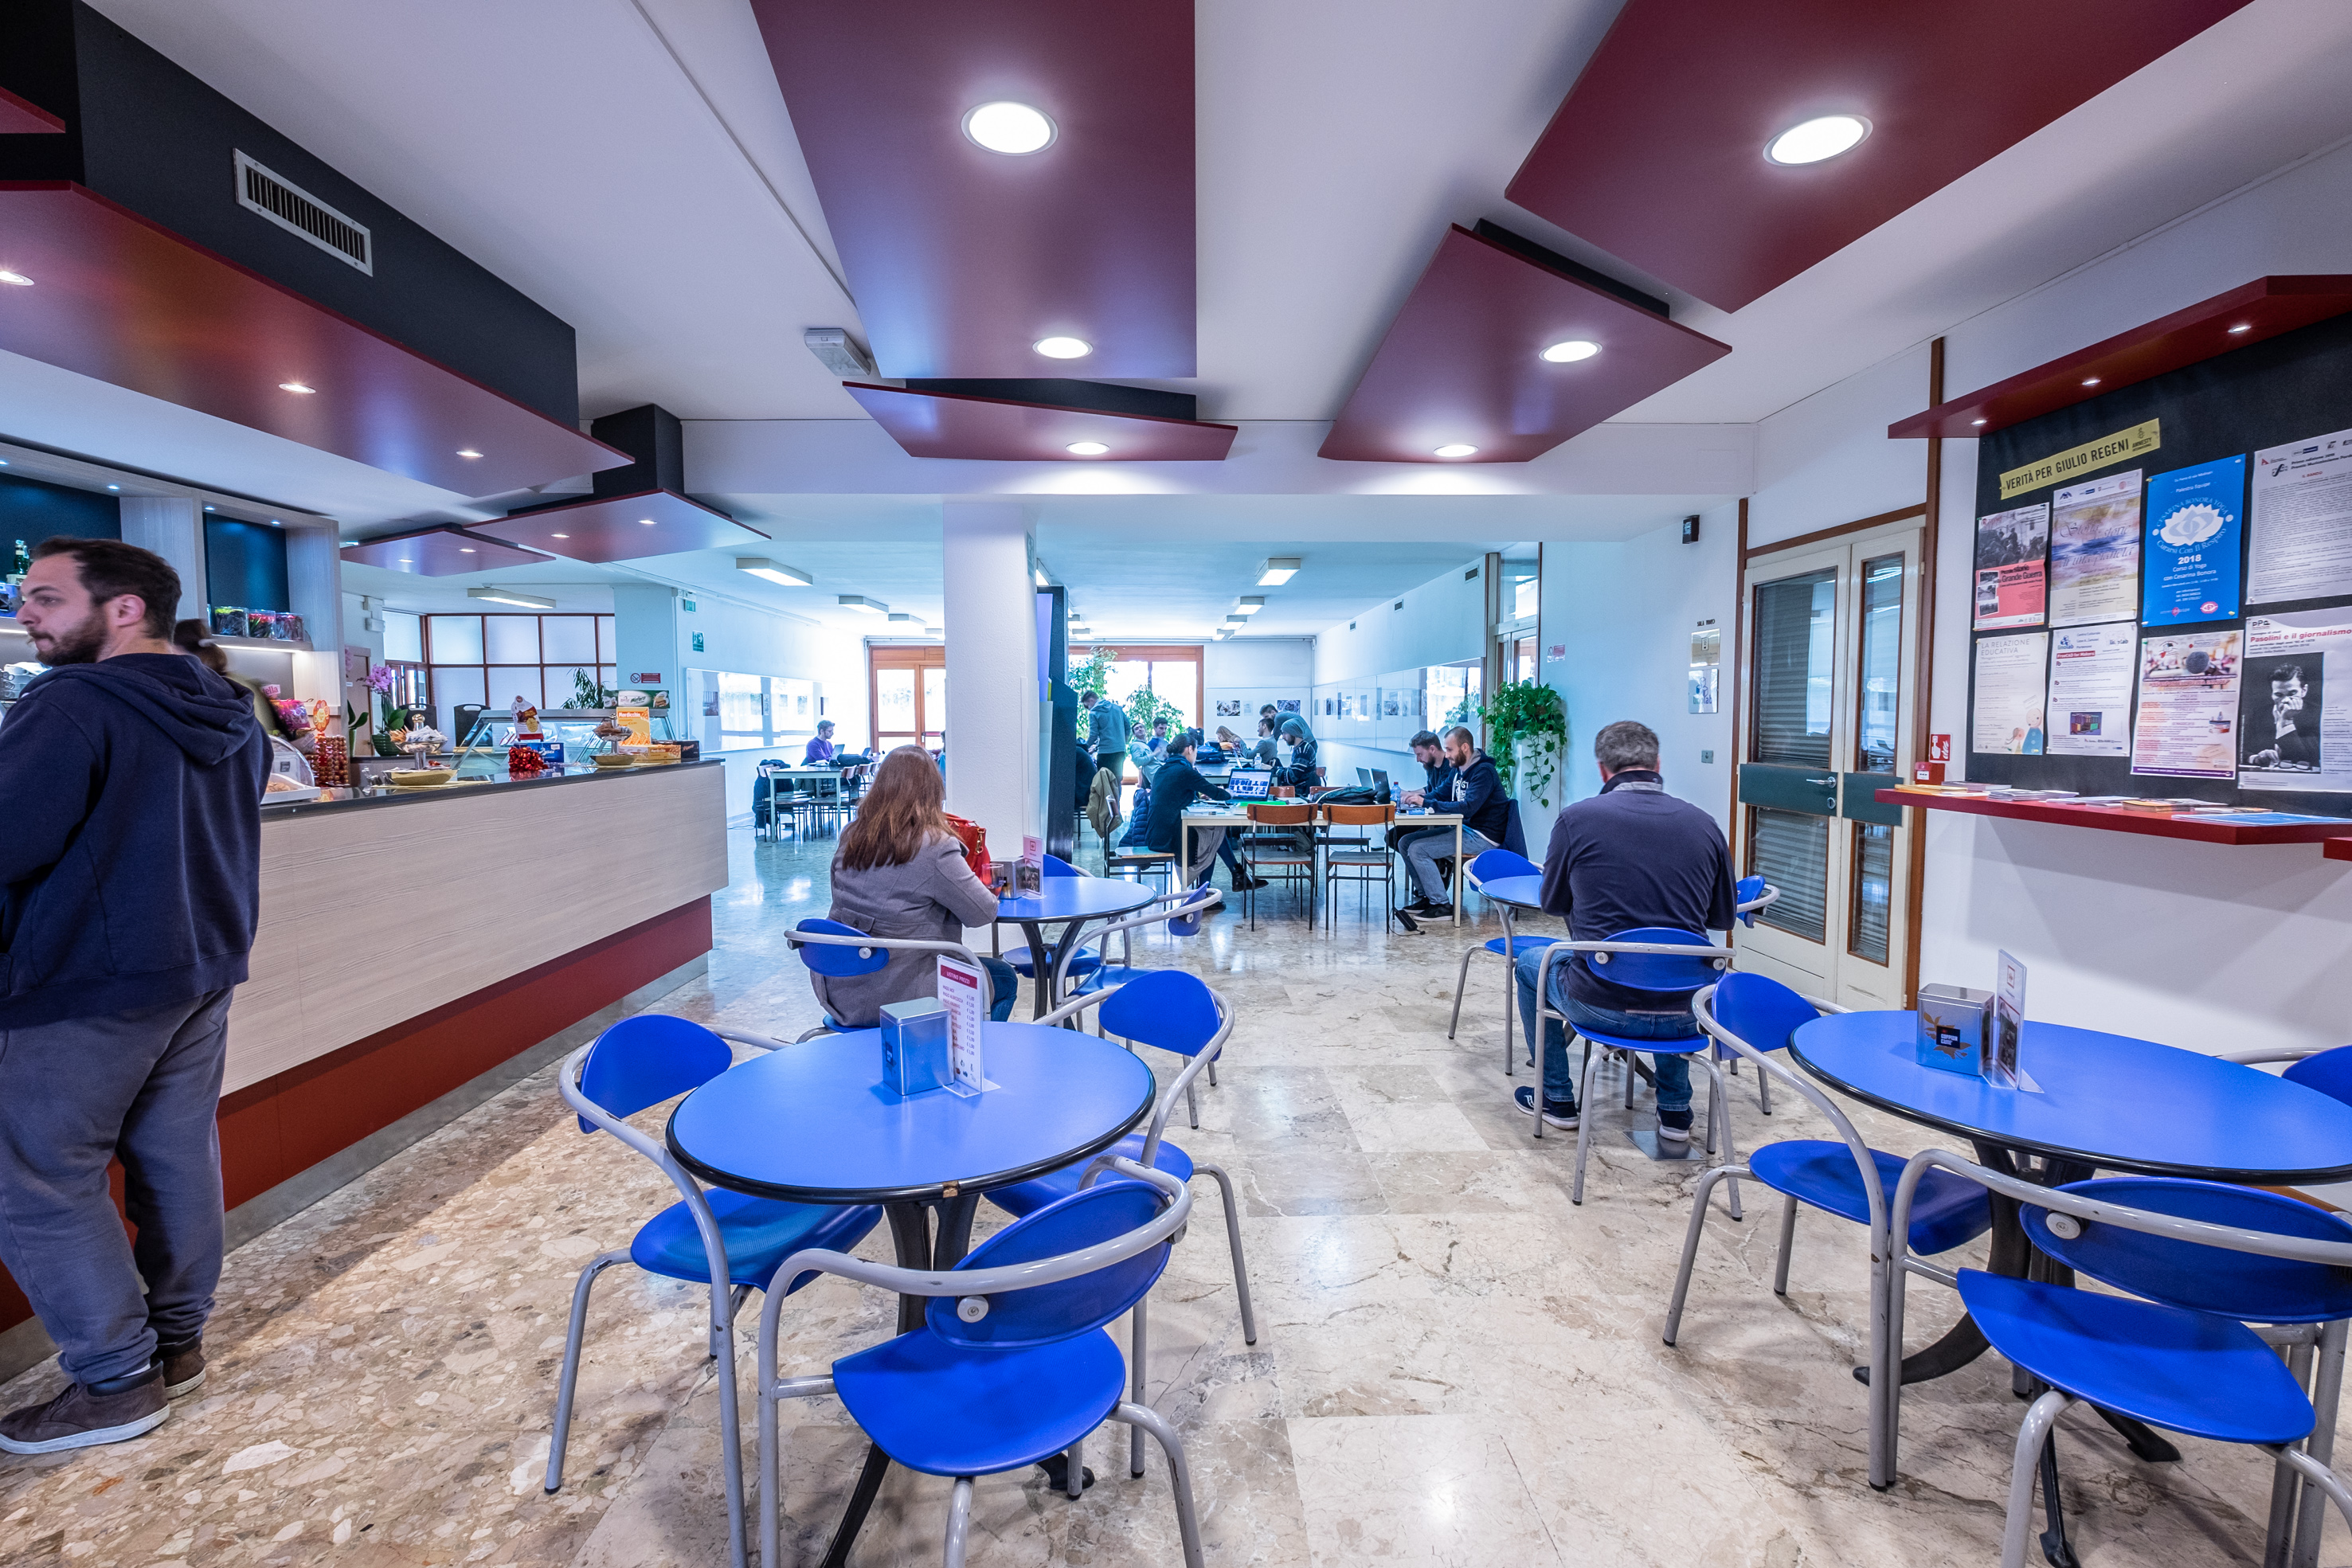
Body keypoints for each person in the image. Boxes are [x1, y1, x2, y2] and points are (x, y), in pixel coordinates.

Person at [0, 538, 269, 1453]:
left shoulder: (71, 703)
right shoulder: (232, 707)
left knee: (35, 1171)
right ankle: (176, 1345)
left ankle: (114, 1381)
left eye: (46, 597)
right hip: (200, 969)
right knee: (174, 1155)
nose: (26, 614)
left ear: (123, 609)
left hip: (84, 977)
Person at [1512, 719, 1736, 1147]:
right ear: (1657, 764)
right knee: (1675, 966)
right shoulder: (1705, 824)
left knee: (1529, 965)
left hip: (1601, 1003)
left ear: (1603, 769)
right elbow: (1722, 917)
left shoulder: (1577, 820)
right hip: (1689, 1012)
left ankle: (1556, 1099)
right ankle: (1675, 1111)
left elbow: (1552, 904)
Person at [810, 745, 1018, 1030]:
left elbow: (842, 894)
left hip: (842, 988)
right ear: (933, 792)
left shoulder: (853, 835)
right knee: (1004, 978)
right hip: (900, 993)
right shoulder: (936, 846)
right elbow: (982, 913)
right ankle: (960, 1054)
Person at [1401, 725, 1508, 920]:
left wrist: (1426, 803)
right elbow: (1441, 793)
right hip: (1465, 829)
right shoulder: (1457, 770)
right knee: (1406, 842)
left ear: (1465, 748)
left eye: (1450, 750)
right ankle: (1427, 896)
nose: (1447, 755)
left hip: (1483, 837)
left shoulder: (1484, 772)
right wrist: (1415, 799)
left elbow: (1468, 808)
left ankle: (1441, 905)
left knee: (1418, 849)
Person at [1145, 730, 1258, 890]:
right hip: (1171, 837)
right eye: (1196, 751)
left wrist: (1198, 797)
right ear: (1190, 749)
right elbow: (1217, 793)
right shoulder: (1184, 770)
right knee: (1212, 839)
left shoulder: (1164, 769)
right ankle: (1213, 887)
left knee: (1212, 834)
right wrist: (1233, 793)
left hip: (1157, 834)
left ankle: (1233, 876)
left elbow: (1175, 795)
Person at [1390, 729, 1452, 851]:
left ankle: (1425, 861)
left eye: (1420, 754)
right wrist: (1409, 793)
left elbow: (1440, 794)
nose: (1418, 759)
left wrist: (1418, 799)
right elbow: (1429, 789)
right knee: (1393, 836)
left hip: (1444, 819)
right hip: (1433, 815)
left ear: (1432, 749)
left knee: (1399, 838)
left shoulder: (1450, 767)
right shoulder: (1431, 766)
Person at [2249, 664, 2322, 768]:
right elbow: (2243, 749)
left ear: (2304, 691)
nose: (2285, 700)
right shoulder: (2259, 714)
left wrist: (2287, 721)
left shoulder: (2318, 714)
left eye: (2292, 693)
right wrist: (2256, 758)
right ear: (2272, 694)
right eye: (2279, 695)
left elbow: (2310, 759)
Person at [1086, 690, 1129, 789]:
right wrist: (1123, 741)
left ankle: (1106, 800)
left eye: (1087, 706)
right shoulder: (1117, 708)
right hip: (1120, 750)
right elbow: (1127, 726)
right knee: (1117, 781)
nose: (1089, 709)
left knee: (1104, 782)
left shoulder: (1094, 713)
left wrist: (1084, 747)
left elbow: (1093, 735)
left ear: (1091, 700)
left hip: (1105, 752)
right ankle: (1116, 800)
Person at [1270, 714, 1320, 792]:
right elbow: (1292, 772)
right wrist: (1276, 768)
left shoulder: (1303, 751)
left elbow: (1291, 778)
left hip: (1299, 792)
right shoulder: (1300, 748)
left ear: (1293, 733)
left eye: (1284, 733)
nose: (1283, 737)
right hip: (1297, 789)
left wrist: (1273, 769)